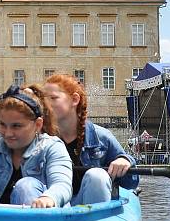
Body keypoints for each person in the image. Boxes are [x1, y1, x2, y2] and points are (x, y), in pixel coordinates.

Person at [0, 84, 72, 208]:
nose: (8, 133)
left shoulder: (52, 147)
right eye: (3, 124)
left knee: (26, 186)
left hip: (43, 219)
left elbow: (62, 185)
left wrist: (49, 197)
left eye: (16, 126)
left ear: (38, 124)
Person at [43, 74, 138, 205]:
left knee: (97, 176)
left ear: (74, 100)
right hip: (54, 203)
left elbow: (131, 183)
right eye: (43, 99)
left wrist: (124, 161)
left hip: (89, 206)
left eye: (53, 98)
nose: (46, 104)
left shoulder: (101, 137)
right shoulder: (41, 138)